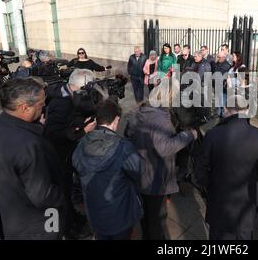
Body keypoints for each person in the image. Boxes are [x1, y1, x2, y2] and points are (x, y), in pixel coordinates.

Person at [0, 77, 65, 239]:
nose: (43, 108)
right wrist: (63, 194)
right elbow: (43, 196)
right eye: (41, 104)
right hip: (42, 223)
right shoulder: (29, 144)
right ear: (25, 107)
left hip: (12, 216)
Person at [195, 95, 258, 240]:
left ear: (225, 109)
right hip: (245, 201)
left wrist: (209, 186)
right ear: (247, 110)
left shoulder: (213, 134)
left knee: (218, 236)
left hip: (219, 200)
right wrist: (253, 178)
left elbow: (200, 168)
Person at [132, 79, 198, 239]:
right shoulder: (161, 117)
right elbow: (164, 147)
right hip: (155, 176)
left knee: (146, 215)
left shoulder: (144, 110)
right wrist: (189, 135)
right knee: (157, 218)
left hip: (142, 170)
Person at [72, 100, 143, 240]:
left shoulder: (82, 143)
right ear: (116, 119)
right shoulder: (123, 147)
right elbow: (139, 171)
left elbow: (76, 166)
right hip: (120, 214)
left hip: (95, 214)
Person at [44, 68, 97, 239]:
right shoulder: (61, 103)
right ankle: (69, 229)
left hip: (66, 154)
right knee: (63, 194)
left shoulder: (69, 95)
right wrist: (83, 131)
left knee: (67, 191)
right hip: (59, 157)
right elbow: (54, 133)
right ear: (81, 87)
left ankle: (74, 218)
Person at [192, 50, 212, 123]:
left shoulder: (206, 64)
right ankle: (200, 116)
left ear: (200, 56)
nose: (194, 58)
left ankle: (207, 117)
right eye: (194, 56)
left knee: (205, 102)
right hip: (196, 85)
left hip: (204, 86)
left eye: (195, 56)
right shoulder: (195, 63)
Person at [214, 51, 231, 118]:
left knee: (222, 103)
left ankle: (222, 117)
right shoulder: (218, 63)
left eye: (219, 57)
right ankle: (219, 115)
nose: (218, 58)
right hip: (217, 86)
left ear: (224, 57)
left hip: (222, 87)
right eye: (217, 57)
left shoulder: (226, 65)